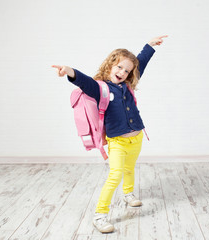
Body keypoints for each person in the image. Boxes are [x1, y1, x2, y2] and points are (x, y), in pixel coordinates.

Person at [52, 35, 167, 233]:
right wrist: (69, 71)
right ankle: (100, 214)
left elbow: (141, 63)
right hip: (118, 142)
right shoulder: (100, 88)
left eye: (127, 70)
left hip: (137, 138)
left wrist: (149, 46)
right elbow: (84, 81)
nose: (122, 72)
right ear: (109, 65)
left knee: (129, 170)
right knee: (115, 175)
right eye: (119, 67)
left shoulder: (127, 85)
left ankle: (128, 194)